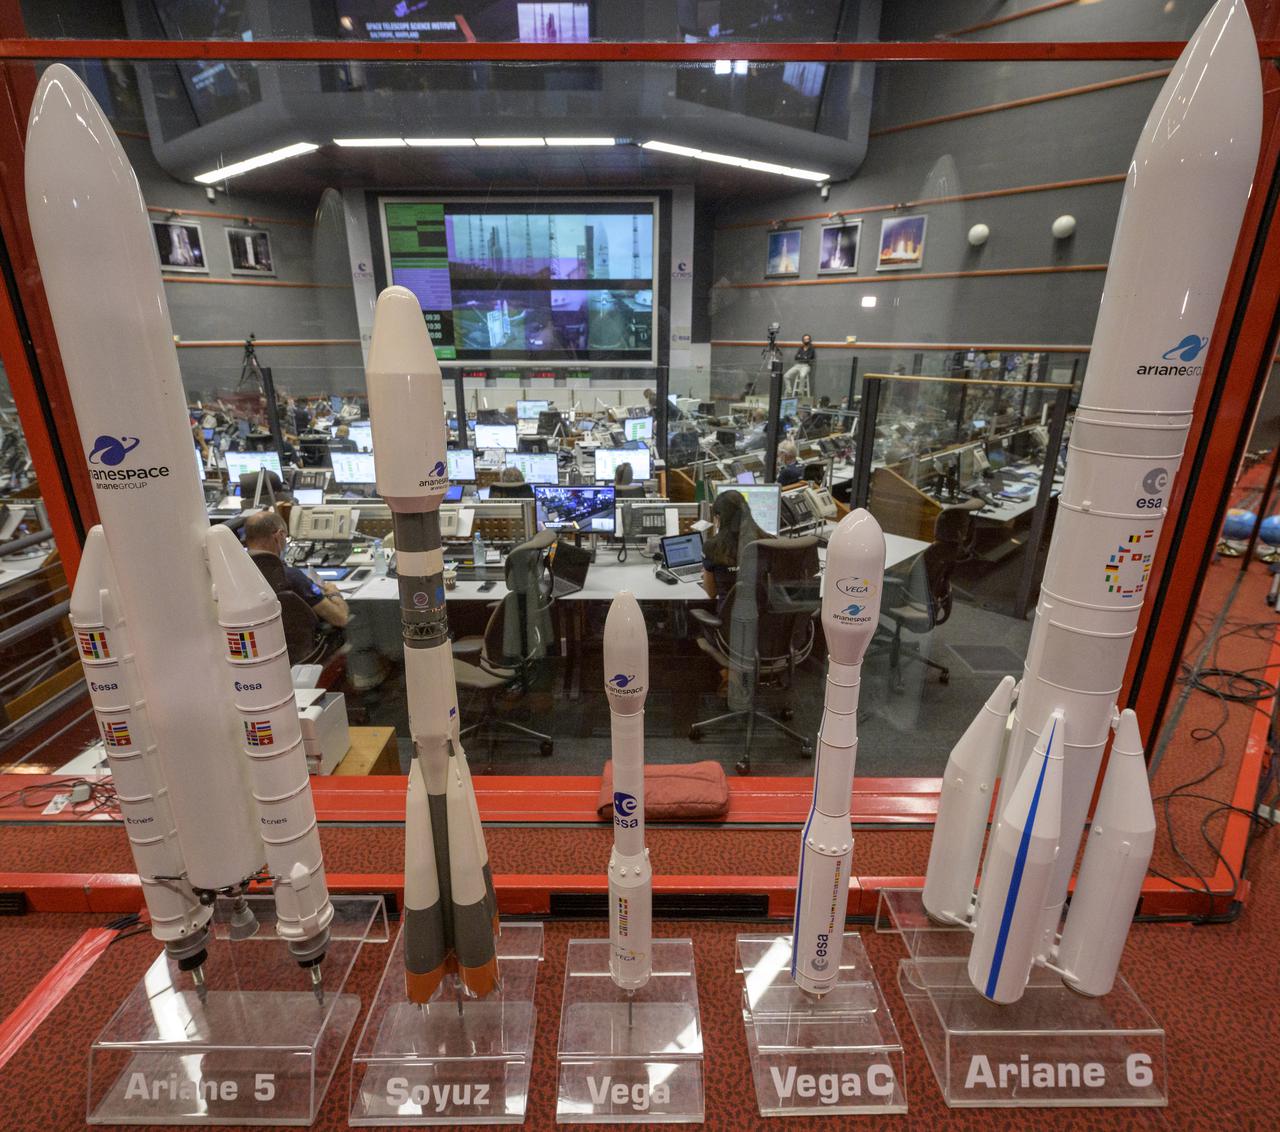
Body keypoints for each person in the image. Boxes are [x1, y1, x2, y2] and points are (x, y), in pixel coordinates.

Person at [243, 509, 350, 629]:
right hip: (301, 639)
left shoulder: (236, 572)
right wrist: (334, 593)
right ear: (279, 536)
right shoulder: (291, 576)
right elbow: (340, 618)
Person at [701, 489, 766, 607]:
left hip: (728, 616)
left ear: (718, 517)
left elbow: (711, 593)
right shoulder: (768, 541)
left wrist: (707, 575)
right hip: (763, 615)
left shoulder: (712, 547)